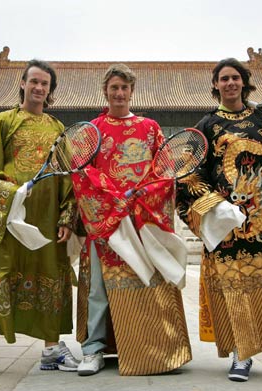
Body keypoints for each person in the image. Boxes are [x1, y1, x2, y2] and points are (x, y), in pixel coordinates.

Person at [176, 57, 262, 388]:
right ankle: (243, 352)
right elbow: (188, 172)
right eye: (223, 78)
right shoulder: (207, 125)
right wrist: (214, 208)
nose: (229, 83)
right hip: (230, 222)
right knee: (236, 290)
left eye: (235, 78)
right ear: (215, 85)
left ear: (244, 82)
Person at [72, 63, 192, 376]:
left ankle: (153, 345)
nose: (119, 93)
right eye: (114, 88)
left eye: (124, 88)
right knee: (99, 286)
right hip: (108, 222)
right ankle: (94, 349)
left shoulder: (150, 128)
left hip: (141, 218)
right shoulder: (93, 130)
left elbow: (165, 172)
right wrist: (113, 201)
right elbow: (84, 173)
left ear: (131, 92)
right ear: (105, 92)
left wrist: (140, 199)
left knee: (148, 279)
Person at [0, 59, 79, 381]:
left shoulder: (57, 130)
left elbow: (68, 177)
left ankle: (51, 349)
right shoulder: (0, 123)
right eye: (34, 81)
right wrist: (14, 193)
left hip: (46, 224)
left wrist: (66, 216)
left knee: (51, 277)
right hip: (9, 222)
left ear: (50, 90)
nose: (39, 88)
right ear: (22, 83)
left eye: (45, 84)